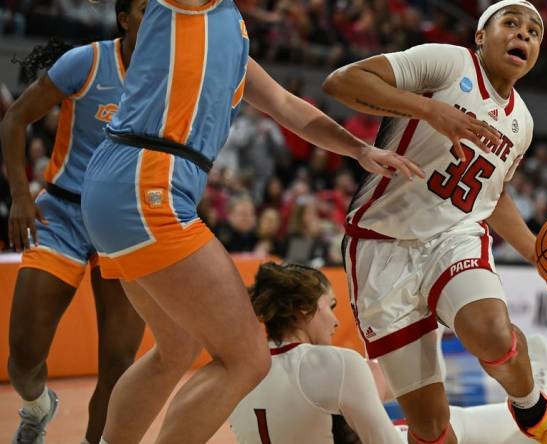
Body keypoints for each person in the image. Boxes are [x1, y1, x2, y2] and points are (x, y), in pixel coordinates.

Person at [77, 0, 424, 441]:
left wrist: (359, 149)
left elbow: (286, 105)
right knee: (247, 359)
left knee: (176, 347)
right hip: (146, 182)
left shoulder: (230, 32)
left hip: (121, 184)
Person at [323, 1, 547, 442]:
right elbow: (342, 81)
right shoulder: (448, 62)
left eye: (533, 32)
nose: (523, 35)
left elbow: (492, 194)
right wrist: (428, 109)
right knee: (430, 427)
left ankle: (534, 413)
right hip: (379, 245)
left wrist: (534, 253)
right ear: (481, 36)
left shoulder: (522, 122)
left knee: (490, 331)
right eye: (511, 24)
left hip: (455, 236)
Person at [0, 1, 147, 442]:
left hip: (125, 222)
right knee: (23, 358)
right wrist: (21, 196)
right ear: (124, 18)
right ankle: (37, 406)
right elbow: (14, 119)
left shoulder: (170, 75)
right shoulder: (88, 61)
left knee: (119, 365)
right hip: (62, 212)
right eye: (144, 9)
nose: (156, 17)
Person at [230, 262, 547, 444]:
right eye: (329, 307)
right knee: (442, 425)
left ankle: (537, 401)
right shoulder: (335, 363)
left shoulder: (237, 372)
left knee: (420, 421)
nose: (334, 320)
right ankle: (539, 401)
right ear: (303, 311)